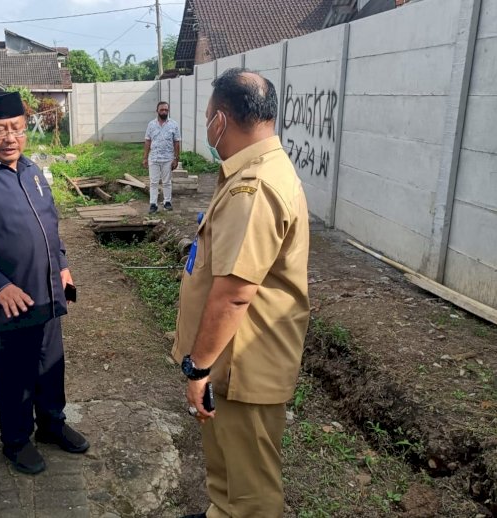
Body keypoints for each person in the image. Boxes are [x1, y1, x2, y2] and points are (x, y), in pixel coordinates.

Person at [172, 68, 310, 518]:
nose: (207, 123)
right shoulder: (254, 171)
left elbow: (233, 293)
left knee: (251, 492)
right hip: (235, 361)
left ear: (221, 120)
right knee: (227, 468)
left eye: (209, 114)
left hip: (243, 363)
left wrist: (199, 367)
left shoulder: (255, 187)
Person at [0, 91, 89, 475]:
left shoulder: (32, 171)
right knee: (15, 375)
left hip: (48, 292)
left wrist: (63, 266)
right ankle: (16, 441)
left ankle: (52, 426)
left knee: (51, 365)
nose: (9, 138)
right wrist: (0, 285)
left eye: (17, 129)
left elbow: (51, 227)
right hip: (8, 299)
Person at [143, 101, 181, 213]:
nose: (164, 112)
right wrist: (145, 157)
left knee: (167, 182)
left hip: (168, 158)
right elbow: (147, 141)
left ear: (168, 111)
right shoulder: (151, 125)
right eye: (162, 110)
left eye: (166, 110)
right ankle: (153, 204)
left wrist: (176, 158)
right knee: (153, 182)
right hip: (154, 158)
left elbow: (177, 142)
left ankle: (167, 202)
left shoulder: (174, 124)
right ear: (157, 111)